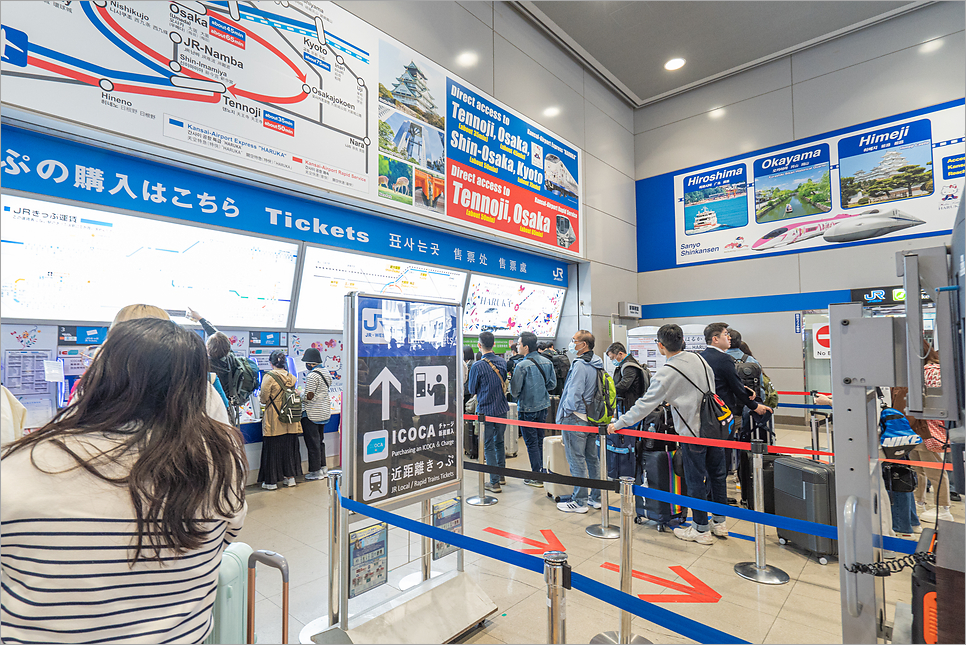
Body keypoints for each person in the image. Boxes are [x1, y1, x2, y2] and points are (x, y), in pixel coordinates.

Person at [1, 318, 247, 643]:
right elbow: (225, 535)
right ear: (195, 388)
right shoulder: (221, 457)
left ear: (99, 376)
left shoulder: (24, 463)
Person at [607, 324, 728, 545]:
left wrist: (620, 423)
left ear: (661, 346)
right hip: (715, 429)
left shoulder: (667, 372)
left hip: (692, 433)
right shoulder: (700, 359)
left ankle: (701, 529)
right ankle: (719, 523)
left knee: (695, 480)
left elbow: (644, 405)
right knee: (717, 476)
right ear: (682, 341)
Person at [556, 330, 604, 513]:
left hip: (576, 418)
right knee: (592, 459)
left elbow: (574, 393)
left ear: (583, 345)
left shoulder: (580, 365)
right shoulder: (598, 363)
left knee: (576, 460)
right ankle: (596, 498)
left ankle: (580, 501)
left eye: (574, 340)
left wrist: (566, 412)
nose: (571, 343)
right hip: (593, 418)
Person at [908, 343, 953, 523]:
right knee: (917, 469)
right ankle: (919, 501)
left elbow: (936, 403)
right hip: (916, 426)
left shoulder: (931, 370)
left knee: (935, 471)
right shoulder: (920, 370)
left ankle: (943, 507)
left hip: (928, 428)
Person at [509, 331, 557, 487]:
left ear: (526, 347)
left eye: (519, 343)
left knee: (531, 443)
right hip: (543, 406)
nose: (517, 346)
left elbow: (514, 391)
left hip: (527, 409)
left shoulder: (521, 366)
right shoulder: (547, 362)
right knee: (539, 440)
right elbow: (552, 385)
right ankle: (541, 471)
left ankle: (537, 476)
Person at [467, 331, 509, 493]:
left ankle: (494, 482)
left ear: (479, 345)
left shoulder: (478, 365)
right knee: (499, 442)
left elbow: (472, 388)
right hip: (502, 408)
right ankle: (501, 476)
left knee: (488, 445)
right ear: (493, 344)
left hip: (486, 410)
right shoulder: (501, 362)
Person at [258, 350, 303, 490]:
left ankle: (271, 482)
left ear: (271, 363)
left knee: (273, 449)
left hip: (274, 419)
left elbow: (263, 398)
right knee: (289, 449)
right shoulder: (291, 377)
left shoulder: (269, 377)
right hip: (290, 418)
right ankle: (290, 478)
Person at [300, 347, 332, 481]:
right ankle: (323, 467)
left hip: (312, 413)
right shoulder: (326, 372)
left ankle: (315, 471)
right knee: (320, 441)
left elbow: (309, 396)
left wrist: (299, 394)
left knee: (312, 443)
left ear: (311, 363)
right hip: (323, 412)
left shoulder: (312, 375)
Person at [606, 342, 650, 418]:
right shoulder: (629, 363)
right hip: (627, 404)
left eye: (612, 358)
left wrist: (609, 391)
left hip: (630, 405)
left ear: (620, 354)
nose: (612, 361)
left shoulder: (629, 367)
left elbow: (624, 385)